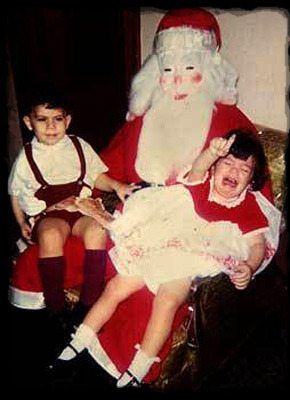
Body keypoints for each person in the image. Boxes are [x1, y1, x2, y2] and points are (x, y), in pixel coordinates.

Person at [10, 8, 281, 386]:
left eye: (190, 69)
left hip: (182, 237)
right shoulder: (144, 115)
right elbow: (102, 167)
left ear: (210, 70)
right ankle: (51, 334)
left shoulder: (230, 125)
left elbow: (255, 201)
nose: (178, 81)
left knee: (144, 301)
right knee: (39, 256)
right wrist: (75, 199)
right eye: (168, 70)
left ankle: (113, 369)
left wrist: (243, 259)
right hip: (130, 219)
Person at [50, 128, 274, 388]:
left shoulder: (249, 208)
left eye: (244, 170)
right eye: (227, 163)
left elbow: (257, 244)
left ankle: (139, 368)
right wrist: (211, 153)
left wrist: (249, 265)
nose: (234, 172)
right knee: (116, 286)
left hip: (188, 261)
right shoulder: (202, 181)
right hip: (159, 246)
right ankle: (78, 342)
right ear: (214, 167)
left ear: (252, 180)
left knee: (167, 299)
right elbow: (199, 167)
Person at [8, 86, 136, 325]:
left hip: (81, 207)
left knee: (98, 229)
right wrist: (21, 222)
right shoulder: (26, 156)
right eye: (42, 120)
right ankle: (55, 306)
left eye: (57, 119)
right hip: (50, 212)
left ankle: (89, 302)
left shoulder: (79, 146)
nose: (50, 127)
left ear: (67, 121)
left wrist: (118, 186)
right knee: (51, 234)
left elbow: (96, 176)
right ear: (28, 122)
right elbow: (15, 192)